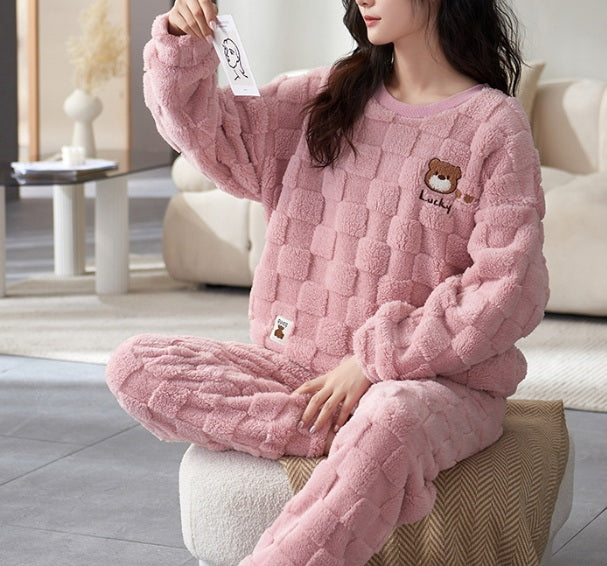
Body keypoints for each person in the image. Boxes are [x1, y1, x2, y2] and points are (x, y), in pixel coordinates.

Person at [105, 0, 549, 564]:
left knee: (392, 417)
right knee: (134, 365)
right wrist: (180, 41)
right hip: (297, 372)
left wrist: (372, 363)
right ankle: (348, 438)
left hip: (433, 382)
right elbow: (213, 135)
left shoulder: (492, 125)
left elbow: (508, 289)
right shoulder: (326, 95)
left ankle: (361, 450)